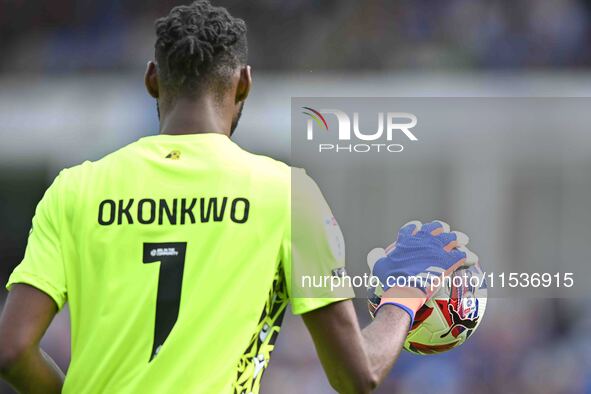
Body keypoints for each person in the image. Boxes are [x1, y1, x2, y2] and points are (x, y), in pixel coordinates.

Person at [0, 1, 471, 393]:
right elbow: (357, 375)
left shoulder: (75, 188)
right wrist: (403, 299)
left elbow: (12, 349)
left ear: (151, 80)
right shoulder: (286, 193)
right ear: (244, 81)